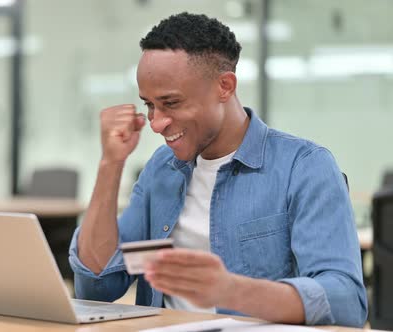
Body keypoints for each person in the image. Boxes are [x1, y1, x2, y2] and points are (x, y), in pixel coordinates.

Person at [68, 12, 367, 327]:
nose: (156, 123)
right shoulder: (162, 169)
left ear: (224, 86)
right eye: (149, 105)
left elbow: (345, 301)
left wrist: (231, 290)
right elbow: (97, 287)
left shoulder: (304, 167)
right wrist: (110, 165)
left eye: (171, 102)